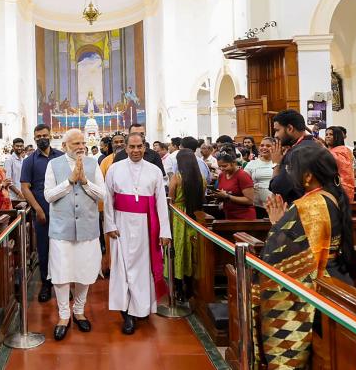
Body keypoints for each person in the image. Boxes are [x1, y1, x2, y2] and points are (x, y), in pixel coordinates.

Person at [254, 144, 355, 370]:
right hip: (336, 291)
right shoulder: (328, 199)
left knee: (283, 353)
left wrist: (276, 230)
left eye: (290, 170)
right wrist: (280, 227)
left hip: (317, 303)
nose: (288, 175)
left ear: (308, 176)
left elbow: (282, 259)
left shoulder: (309, 207)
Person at [104, 132, 171, 334]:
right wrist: (110, 225)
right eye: (131, 147)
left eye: (139, 147)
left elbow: (161, 202)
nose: (135, 151)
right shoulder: (115, 169)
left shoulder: (154, 171)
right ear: (125, 148)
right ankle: (126, 313)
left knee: (142, 269)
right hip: (121, 224)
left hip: (145, 226)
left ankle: (140, 308)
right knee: (122, 269)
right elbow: (108, 199)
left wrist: (164, 231)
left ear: (145, 147)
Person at [43, 129, 106, 340]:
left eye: (82, 142)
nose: (80, 146)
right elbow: (49, 196)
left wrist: (85, 182)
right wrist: (70, 181)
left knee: (84, 271)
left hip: (87, 228)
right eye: (75, 143)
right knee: (61, 273)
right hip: (62, 228)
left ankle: (79, 311)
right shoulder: (53, 165)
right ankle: (63, 315)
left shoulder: (93, 163)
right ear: (65, 146)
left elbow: (103, 194)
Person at [20, 123, 65, 302]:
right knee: (44, 249)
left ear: (50, 135)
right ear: (34, 138)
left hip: (62, 211)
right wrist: (37, 209)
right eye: (38, 137)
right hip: (42, 212)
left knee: (63, 248)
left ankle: (64, 284)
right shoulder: (29, 161)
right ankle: (46, 284)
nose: (41, 139)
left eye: (44, 135)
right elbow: (25, 187)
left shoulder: (61, 157)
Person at [169, 148, 205, 300]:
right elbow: (202, 198)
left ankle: (178, 288)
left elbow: (170, 199)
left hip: (178, 216)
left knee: (178, 250)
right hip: (194, 215)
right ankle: (191, 287)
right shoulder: (201, 178)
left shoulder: (176, 178)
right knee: (191, 251)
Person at [269, 109, 318, 204]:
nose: (275, 135)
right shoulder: (313, 144)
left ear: (290, 128)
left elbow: (278, 187)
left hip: (303, 209)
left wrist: (276, 164)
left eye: (277, 130)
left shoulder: (298, 152)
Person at [213, 150, 257, 219]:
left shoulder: (242, 176)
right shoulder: (222, 175)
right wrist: (219, 196)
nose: (222, 169)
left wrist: (228, 196)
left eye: (224, 166)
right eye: (219, 166)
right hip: (228, 215)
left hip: (244, 216)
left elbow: (249, 200)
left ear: (233, 163)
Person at [245, 136, 276, 213]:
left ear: (274, 147)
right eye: (262, 145)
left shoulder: (279, 162)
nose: (264, 148)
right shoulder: (252, 164)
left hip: (276, 205)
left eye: (268, 146)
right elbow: (243, 181)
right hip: (258, 206)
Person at [324, 126, 356, 201]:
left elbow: (339, 163)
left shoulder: (343, 150)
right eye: (326, 134)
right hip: (328, 186)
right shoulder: (328, 150)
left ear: (337, 137)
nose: (328, 136)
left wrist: (323, 149)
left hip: (342, 187)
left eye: (331, 134)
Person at [3, 137, 26, 203]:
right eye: (17, 146)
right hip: (13, 196)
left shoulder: (23, 160)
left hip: (23, 194)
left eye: (21, 146)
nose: (19, 148)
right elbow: (8, 181)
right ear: (13, 147)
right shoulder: (9, 160)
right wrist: (19, 193)